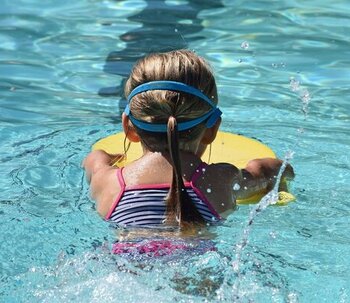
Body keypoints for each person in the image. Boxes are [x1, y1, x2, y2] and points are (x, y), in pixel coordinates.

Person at [83, 49, 294, 233]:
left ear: (128, 128)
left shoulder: (107, 182)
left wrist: (108, 156)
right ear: (212, 130)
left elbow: (94, 159)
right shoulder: (219, 179)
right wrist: (282, 171)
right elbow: (269, 171)